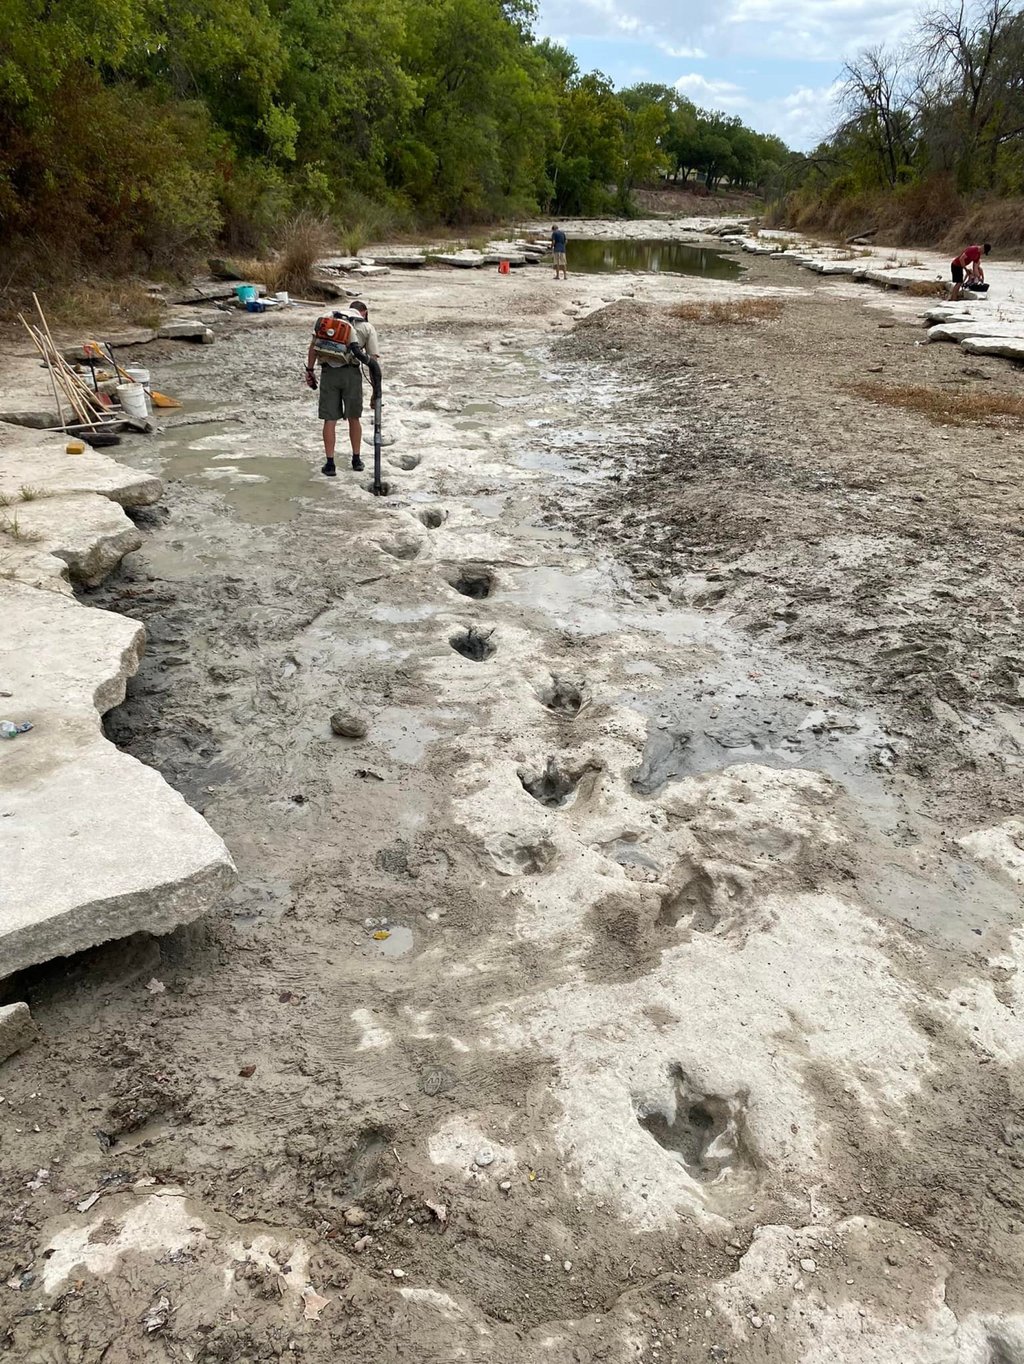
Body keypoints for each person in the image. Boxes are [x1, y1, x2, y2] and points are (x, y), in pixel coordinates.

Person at [304, 299, 380, 477]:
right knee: (354, 418)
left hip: (329, 373)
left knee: (329, 420)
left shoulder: (329, 320)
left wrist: (309, 370)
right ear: (365, 312)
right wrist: (376, 392)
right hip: (352, 375)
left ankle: (330, 464)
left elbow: (313, 348)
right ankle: (356, 460)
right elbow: (373, 360)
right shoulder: (367, 328)